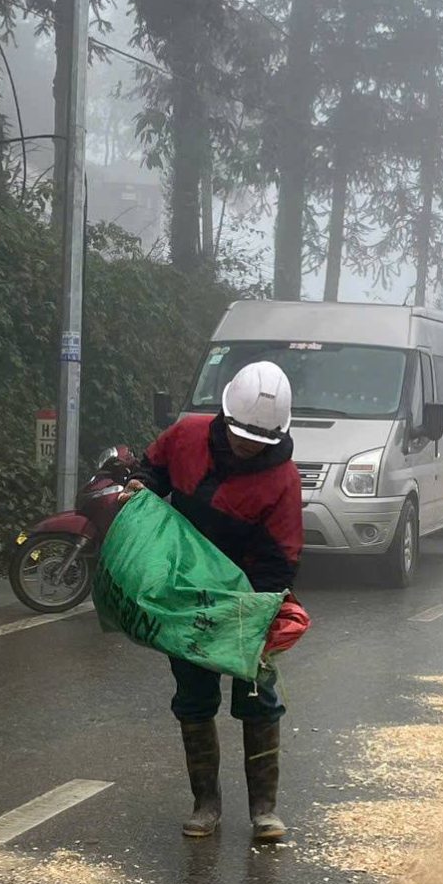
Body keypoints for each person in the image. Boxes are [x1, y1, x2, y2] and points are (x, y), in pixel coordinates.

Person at [139, 361, 304, 847]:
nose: (248, 445)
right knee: (193, 698)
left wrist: (256, 615)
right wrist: (140, 489)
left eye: (259, 441)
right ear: (223, 415)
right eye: (240, 435)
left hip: (249, 596)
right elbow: (151, 471)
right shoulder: (186, 435)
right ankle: (205, 804)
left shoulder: (283, 480)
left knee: (258, 701)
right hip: (185, 593)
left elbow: (282, 558)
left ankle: (264, 811)